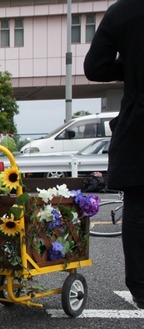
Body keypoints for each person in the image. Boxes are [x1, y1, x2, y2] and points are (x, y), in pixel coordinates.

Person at [84, 0, 144, 308]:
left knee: (138, 201)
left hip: (139, 119)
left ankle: (141, 288)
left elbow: (95, 67)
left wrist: (130, 65)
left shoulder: (125, 10)